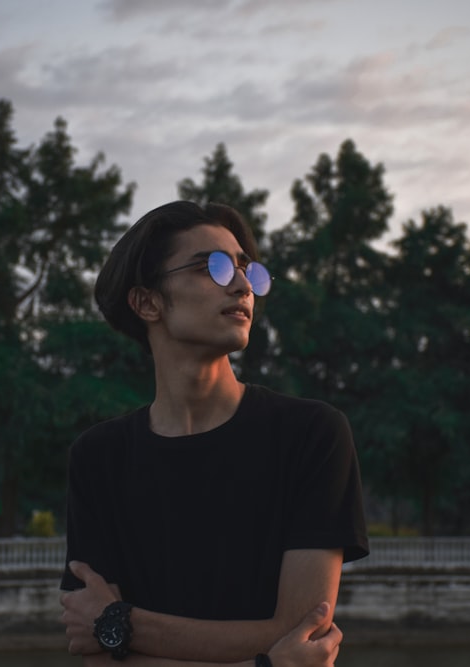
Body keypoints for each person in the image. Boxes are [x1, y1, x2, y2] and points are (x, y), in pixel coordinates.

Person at [60, 201, 368, 665]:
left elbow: (303, 637)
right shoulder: (98, 458)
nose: (244, 286)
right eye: (215, 268)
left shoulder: (311, 435)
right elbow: (97, 656)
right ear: (147, 302)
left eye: (248, 270)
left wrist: (121, 624)